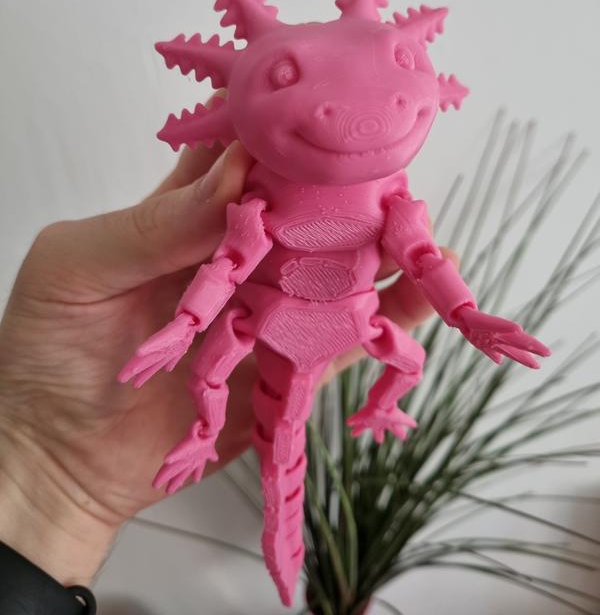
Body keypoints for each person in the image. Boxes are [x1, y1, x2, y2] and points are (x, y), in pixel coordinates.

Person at [0, 140, 450, 612]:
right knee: (212, 374)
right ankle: (205, 433)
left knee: (406, 359)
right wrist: (184, 327)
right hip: (269, 321)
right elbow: (229, 265)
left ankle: (376, 407)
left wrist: (462, 319)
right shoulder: (264, 191)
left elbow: (421, 256)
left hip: (342, 322)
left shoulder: (388, 196)